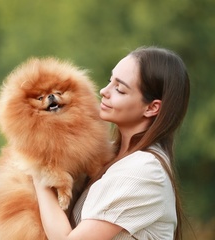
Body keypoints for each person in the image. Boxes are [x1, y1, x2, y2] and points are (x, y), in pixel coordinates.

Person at [32, 46, 190, 240]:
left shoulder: (144, 171)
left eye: (120, 89)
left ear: (152, 108)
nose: (104, 91)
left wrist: (39, 171)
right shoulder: (108, 156)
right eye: (110, 81)